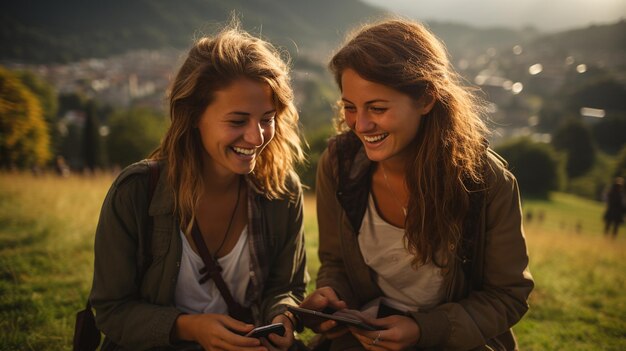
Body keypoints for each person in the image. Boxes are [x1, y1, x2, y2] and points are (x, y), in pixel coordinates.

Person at [300, 19, 534, 351]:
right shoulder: (339, 167)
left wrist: (423, 330)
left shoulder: (487, 184)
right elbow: (336, 263)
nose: (361, 125)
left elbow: (507, 296)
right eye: (350, 108)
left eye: (377, 108)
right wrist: (333, 297)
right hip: (366, 336)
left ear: (426, 100)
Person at [90, 22, 308, 351]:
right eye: (237, 121)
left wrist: (283, 316)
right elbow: (110, 310)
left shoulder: (282, 190)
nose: (256, 136)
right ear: (193, 115)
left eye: (267, 118)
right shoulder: (135, 193)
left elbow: (286, 286)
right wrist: (189, 328)